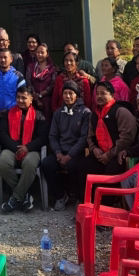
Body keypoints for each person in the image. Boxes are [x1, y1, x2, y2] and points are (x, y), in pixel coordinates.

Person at [41, 80, 91, 209]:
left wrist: (69, 155)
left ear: (77, 95)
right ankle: (60, 196)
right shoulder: (58, 113)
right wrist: (57, 152)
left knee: (76, 166)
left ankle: (78, 197)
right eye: (65, 93)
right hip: (60, 152)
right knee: (47, 164)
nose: (67, 96)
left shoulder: (85, 112)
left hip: (75, 153)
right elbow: (53, 135)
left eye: (71, 93)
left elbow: (83, 138)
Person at [0, 86, 48, 213]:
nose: (20, 100)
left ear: (31, 99)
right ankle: (24, 196)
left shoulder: (39, 115)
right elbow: (2, 134)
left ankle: (15, 198)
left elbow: (43, 138)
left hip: (31, 150)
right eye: (18, 97)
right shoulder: (8, 114)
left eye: (24, 98)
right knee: (3, 162)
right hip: (11, 148)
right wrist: (15, 147)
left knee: (30, 164)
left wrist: (28, 147)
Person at [82, 81, 137, 183]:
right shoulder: (94, 114)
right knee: (84, 167)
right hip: (99, 153)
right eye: (97, 93)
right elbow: (90, 136)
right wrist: (94, 149)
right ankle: (89, 198)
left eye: (103, 93)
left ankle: (110, 199)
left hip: (117, 153)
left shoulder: (121, 112)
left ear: (112, 95)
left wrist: (109, 154)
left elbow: (126, 138)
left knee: (111, 173)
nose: (99, 96)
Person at [0, 49, 26, 115]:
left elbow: (23, 97)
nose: (3, 60)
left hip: (14, 115)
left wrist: (9, 111)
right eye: (1, 57)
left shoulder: (19, 76)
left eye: (5, 57)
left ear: (11, 59)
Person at [25, 43, 56, 118]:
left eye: (42, 52)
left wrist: (42, 94)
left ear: (47, 54)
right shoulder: (31, 66)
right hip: (33, 100)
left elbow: (53, 84)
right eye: (38, 52)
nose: (39, 54)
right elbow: (28, 82)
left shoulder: (52, 68)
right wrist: (35, 96)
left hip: (47, 101)